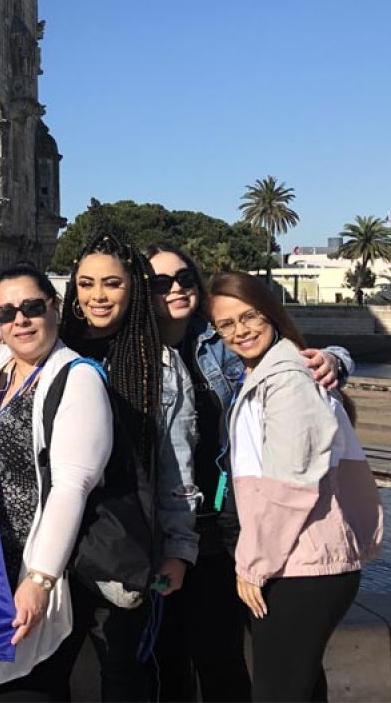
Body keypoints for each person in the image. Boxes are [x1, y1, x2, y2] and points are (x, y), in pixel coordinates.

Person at [146, 243, 355, 703]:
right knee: (166, 655)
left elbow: (289, 356)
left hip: (229, 532)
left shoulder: (218, 341)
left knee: (225, 656)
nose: (176, 289)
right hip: (164, 534)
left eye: (184, 278)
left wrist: (336, 359)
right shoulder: (133, 351)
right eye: (160, 282)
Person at [207, 271, 382, 702]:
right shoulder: (269, 371)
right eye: (226, 325)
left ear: (270, 312)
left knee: (277, 691)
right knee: (301, 688)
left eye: (248, 317)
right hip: (304, 562)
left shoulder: (286, 378)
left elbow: (289, 486)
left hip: (303, 565)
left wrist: (252, 564)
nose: (240, 331)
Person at [56, 231, 199, 701]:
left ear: (133, 289)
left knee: (127, 679)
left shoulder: (158, 365)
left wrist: (177, 551)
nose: (98, 296)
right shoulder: (49, 355)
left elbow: (176, 467)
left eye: (112, 284)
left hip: (125, 550)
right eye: (87, 283)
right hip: (51, 551)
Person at [0, 264, 114, 701]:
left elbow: (72, 484)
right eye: (6, 312)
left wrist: (40, 579)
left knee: (28, 690)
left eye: (32, 307)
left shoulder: (78, 378)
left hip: (36, 573)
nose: (20, 320)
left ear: (54, 308)